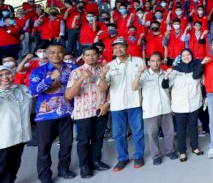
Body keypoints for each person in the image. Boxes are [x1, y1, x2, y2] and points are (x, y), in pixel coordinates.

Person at [29, 43, 77, 182]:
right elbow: (33, 91)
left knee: (67, 144)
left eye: (59, 52)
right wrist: (50, 78)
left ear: (64, 53)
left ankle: (63, 169)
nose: (56, 55)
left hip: (67, 112)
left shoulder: (72, 69)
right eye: (52, 52)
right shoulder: (39, 71)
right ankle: (45, 175)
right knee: (44, 147)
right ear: (47, 54)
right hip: (46, 115)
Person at [64, 46, 111, 178]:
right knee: (83, 140)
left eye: (93, 54)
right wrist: (81, 79)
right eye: (88, 55)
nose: (91, 57)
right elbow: (68, 95)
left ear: (98, 56)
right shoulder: (76, 72)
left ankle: (96, 161)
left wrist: (106, 104)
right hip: (83, 112)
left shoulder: (104, 70)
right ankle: (84, 166)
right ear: (83, 57)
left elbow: (107, 89)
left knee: (98, 138)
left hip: (100, 110)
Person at [101, 37, 146, 171]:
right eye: (115, 48)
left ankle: (138, 156)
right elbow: (103, 88)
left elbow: (143, 82)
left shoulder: (138, 61)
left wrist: (143, 99)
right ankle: (122, 158)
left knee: (138, 132)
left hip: (135, 103)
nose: (118, 50)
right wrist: (103, 75)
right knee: (118, 134)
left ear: (127, 47)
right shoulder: (110, 65)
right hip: (117, 105)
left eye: (121, 47)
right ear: (113, 51)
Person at [132, 52, 177, 165]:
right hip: (151, 110)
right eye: (152, 61)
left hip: (166, 108)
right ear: (148, 63)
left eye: (158, 60)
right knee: (152, 134)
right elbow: (134, 87)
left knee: (169, 132)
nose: (155, 63)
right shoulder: (144, 75)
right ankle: (156, 155)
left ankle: (170, 151)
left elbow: (171, 89)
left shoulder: (166, 74)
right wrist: (138, 74)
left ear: (161, 62)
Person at [162, 49, 204, 162]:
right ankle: (182, 151)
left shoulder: (197, 67)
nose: (186, 57)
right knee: (181, 129)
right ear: (180, 57)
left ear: (192, 55)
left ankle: (195, 147)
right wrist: (166, 75)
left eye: (188, 55)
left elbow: (201, 83)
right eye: (183, 55)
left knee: (193, 127)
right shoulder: (175, 70)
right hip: (179, 105)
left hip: (194, 103)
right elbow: (165, 86)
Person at [0, 65, 32, 183]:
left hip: (21, 134)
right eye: (1, 75)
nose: (5, 77)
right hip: (4, 137)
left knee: (15, 161)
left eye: (7, 74)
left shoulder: (22, 88)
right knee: (3, 164)